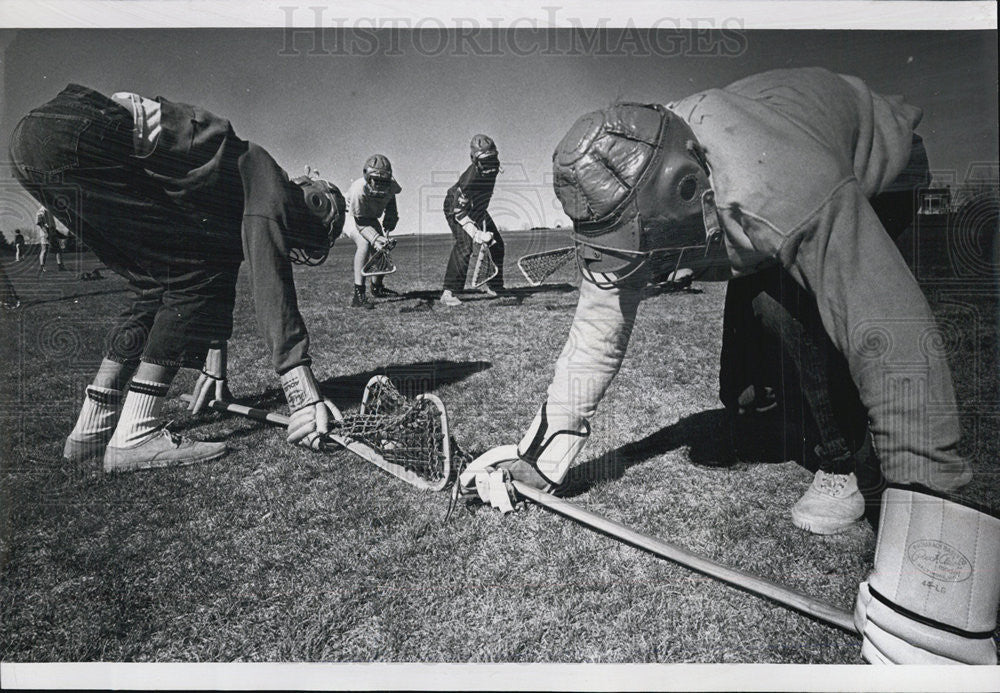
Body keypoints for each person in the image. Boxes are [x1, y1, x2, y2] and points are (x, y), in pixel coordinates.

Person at [464, 68, 999, 664]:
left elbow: (892, 337)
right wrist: (540, 459)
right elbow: (595, 334)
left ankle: (844, 463)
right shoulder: (617, 187)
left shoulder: (784, 190)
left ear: (687, 191)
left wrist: (937, 564)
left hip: (876, 167)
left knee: (792, 315)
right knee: (740, 389)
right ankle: (804, 423)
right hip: (751, 195)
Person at [10, 84, 346, 472]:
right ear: (311, 206)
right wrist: (302, 394)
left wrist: (214, 365)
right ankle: (135, 434)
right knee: (188, 276)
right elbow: (272, 284)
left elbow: (220, 271)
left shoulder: (231, 188)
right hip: (82, 139)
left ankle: (90, 429)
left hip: (38, 139)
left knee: (156, 284)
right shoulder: (266, 178)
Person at [440, 134, 504, 306]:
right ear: (474, 160)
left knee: (497, 244)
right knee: (465, 244)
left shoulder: (494, 168)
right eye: (486, 160)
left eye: (493, 158)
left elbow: (483, 197)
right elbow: (459, 212)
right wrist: (477, 234)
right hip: (456, 207)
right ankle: (449, 292)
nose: (490, 165)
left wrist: (481, 218)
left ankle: (494, 285)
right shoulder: (469, 180)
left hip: (477, 207)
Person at [342, 154, 401, 308]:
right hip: (353, 217)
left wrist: (391, 216)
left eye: (384, 180)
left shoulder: (392, 185)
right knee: (364, 244)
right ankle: (358, 294)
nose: (381, 184)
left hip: (370, 218)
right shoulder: (358, 190)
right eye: (377, 180)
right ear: (368, 177)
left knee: (383, 247)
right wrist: (375, 238)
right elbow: (360, 222)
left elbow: (391, 199)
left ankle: (377, 287)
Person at [36, 205, 67, 272]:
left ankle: (60, 266)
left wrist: (58, 234)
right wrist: (46, 233)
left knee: (58, 250)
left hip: (52, 233)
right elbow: (40, 223)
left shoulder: (49, 210)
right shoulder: (41, 211)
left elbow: (52, 225)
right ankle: (42, 267)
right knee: (44, 250)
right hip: (46, 233)